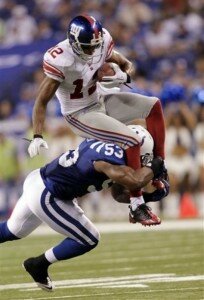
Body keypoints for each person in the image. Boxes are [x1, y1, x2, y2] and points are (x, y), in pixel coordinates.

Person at [0, 126, 167, 292]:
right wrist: (153, 168)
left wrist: (150, 196)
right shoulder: (110, 159)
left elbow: (118, 194)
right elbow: (134, 181)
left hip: (39, 180)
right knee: (89, 238)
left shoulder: (110, 147)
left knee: (12, 230)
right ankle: (38, 264)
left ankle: (38, 264)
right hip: (49, 194)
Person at [27, 14, 166, 212]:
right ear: (74, 43)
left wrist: (122, 75)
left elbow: (127, 65)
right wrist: (37, 135)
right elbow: (41, 101)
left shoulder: (101, 42)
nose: (93, 50)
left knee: (154, 105)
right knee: (132, 140)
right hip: (80, 113)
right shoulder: (61, 59)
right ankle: (137, 204)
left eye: (95, 45)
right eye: (87, 46)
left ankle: (161, 168)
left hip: (100, 99)